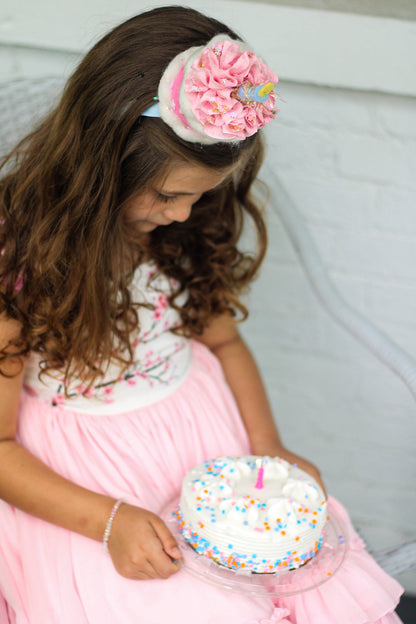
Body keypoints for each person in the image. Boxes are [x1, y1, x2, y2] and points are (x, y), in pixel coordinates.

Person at [0, 6, 403, 624]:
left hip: (210, 457)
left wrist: (269, 450)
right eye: (168, 195)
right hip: (85, 489)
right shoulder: (20, 265)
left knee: (299, 582)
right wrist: (108, 523)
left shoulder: (180, 236)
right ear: (101, 163)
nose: (185, 214)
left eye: (200, 196)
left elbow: (229, 346)